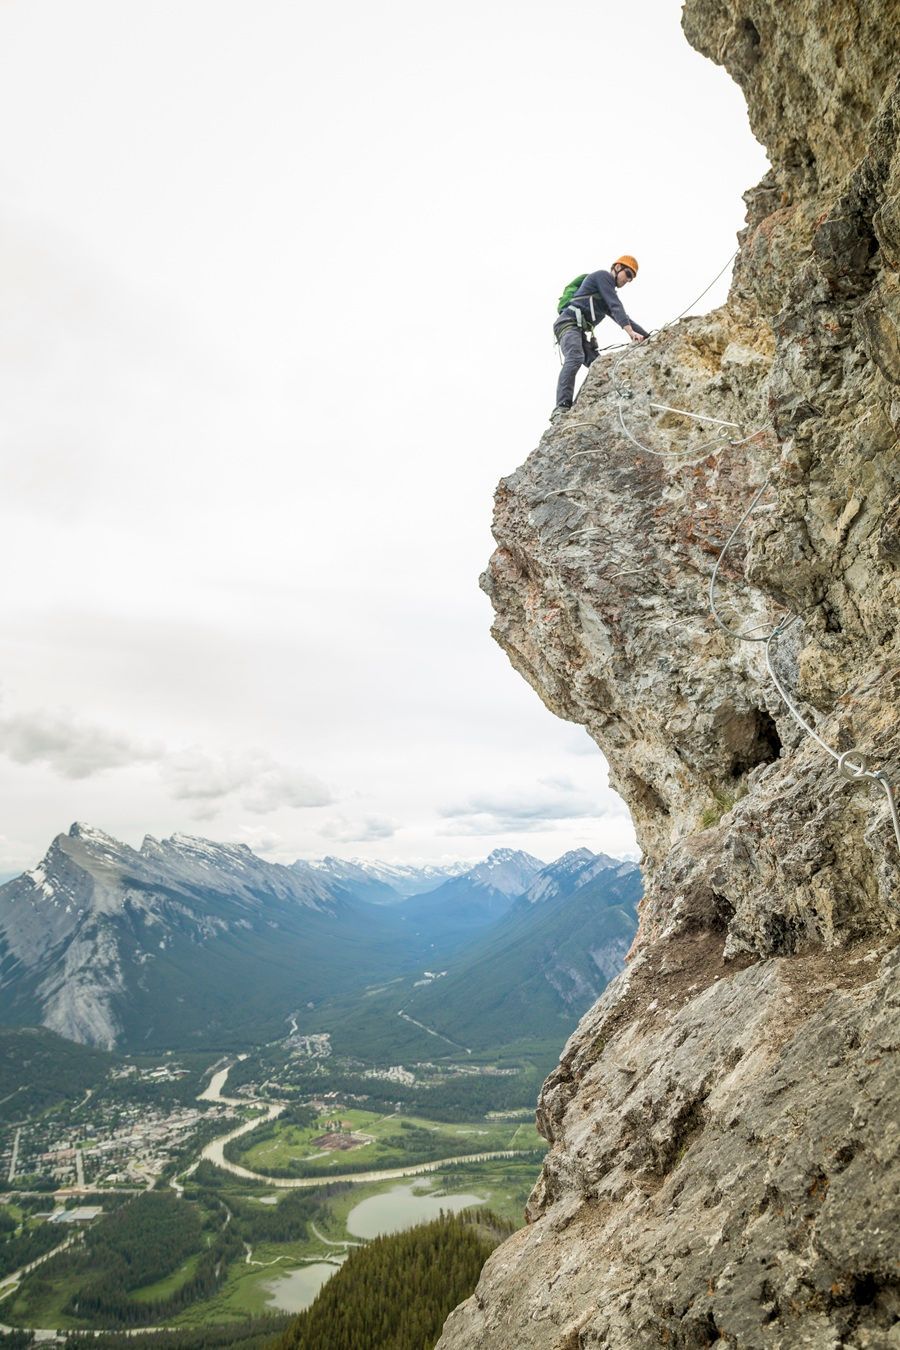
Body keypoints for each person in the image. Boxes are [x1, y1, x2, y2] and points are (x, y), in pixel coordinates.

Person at [552, 256, 649, 418]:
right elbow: (615, 305)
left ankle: (577, 407)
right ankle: (561, 407)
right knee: (575, 356)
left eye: (631, 278)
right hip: (567, 323)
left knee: (599, 365)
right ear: (617, 267)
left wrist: (648, 336)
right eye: (628, 274)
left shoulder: (604, 297)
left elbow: (622, 316)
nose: (628, 280)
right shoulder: (602, 276)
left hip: (578, 330)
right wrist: (630, 333)